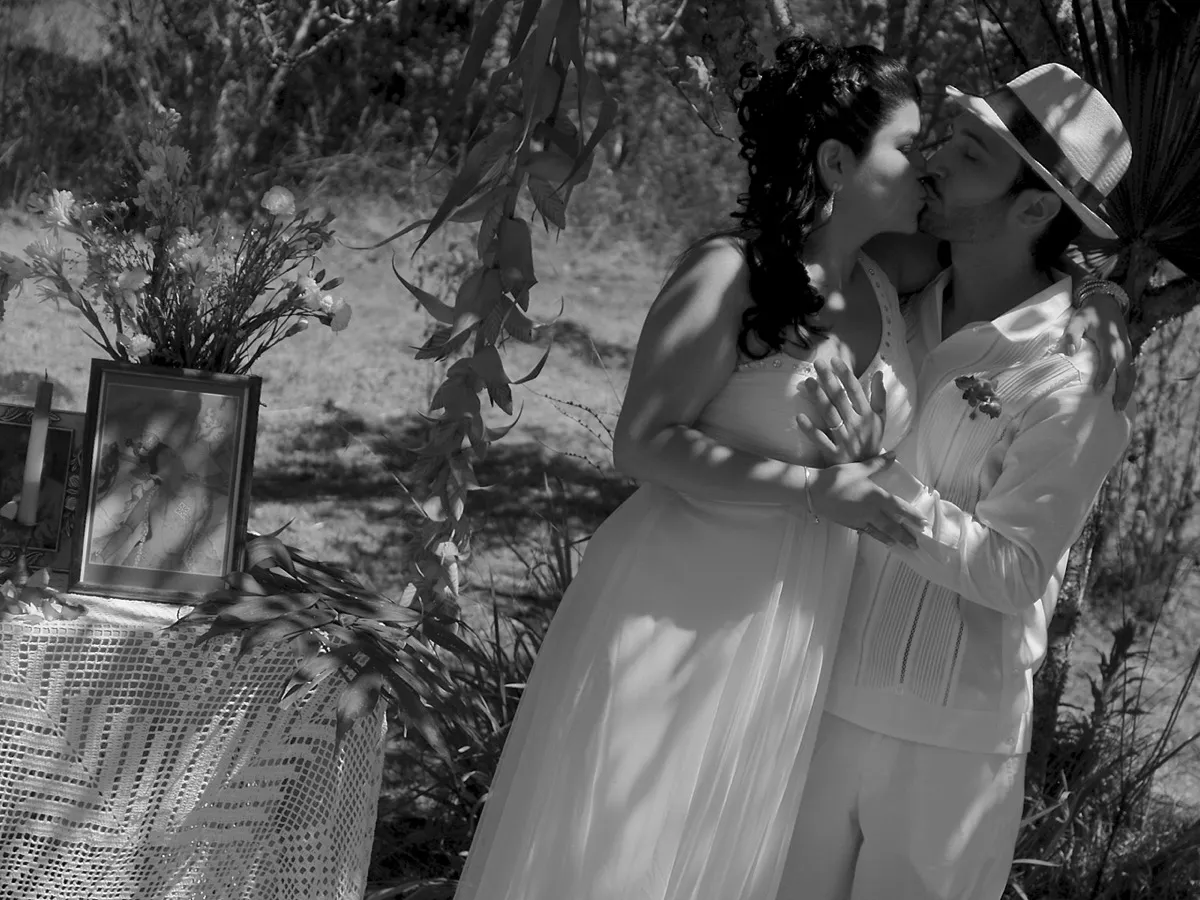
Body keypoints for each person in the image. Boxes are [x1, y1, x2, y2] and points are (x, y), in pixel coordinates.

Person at [452, 35, 1131, 900]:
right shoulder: (771, 273)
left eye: (959, 152)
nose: (929, 162)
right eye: (916, 144)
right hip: (688, 599)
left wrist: (1103, 301)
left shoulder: (907, 283)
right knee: (628, 852)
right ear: (839, 162)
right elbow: (643, 441)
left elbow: (1032, 272)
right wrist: (817, 488)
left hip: (809, 641)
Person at [778, 63, 1135, 900]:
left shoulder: (1074, 375)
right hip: (813, 698)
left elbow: (1015, 570)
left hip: (949, 750)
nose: (935, 160)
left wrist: (876, 478)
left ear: (1035, 209)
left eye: (970, 154)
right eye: (949, 139)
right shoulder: (893, 298)